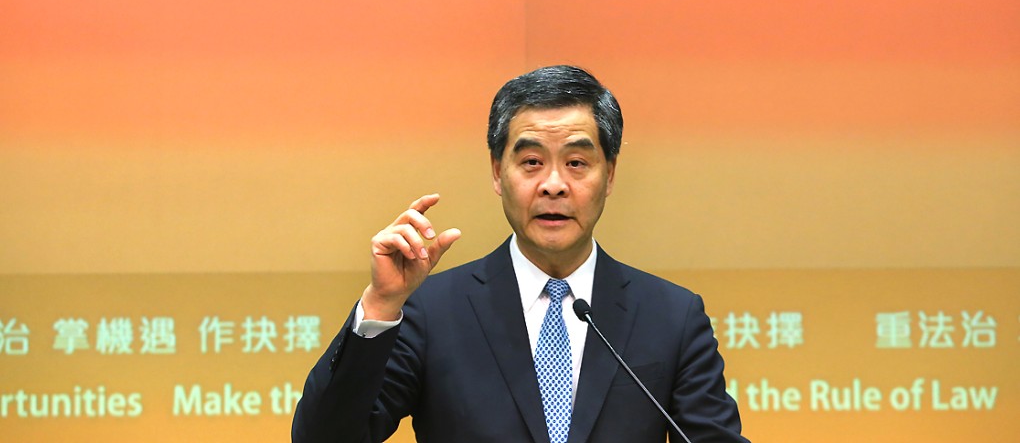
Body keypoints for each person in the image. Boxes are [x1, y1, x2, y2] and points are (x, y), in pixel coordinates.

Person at [292, 65, 749, 443]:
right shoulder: (432, 311)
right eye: (531, 162)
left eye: (576, 163)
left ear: (609, 175)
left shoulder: (671, 316)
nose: (553, 184)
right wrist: (380, 305)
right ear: (497, 172)